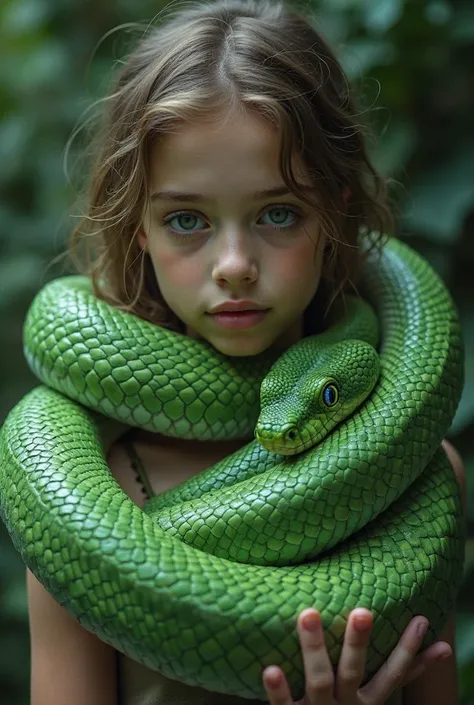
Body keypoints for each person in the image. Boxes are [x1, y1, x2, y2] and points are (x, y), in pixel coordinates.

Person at [26, 1, 466, 704]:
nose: (234, 263)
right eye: (186, 220)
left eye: (279, 212)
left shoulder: (416, 473)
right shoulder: (90, 495)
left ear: (334, 215)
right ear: (138, 227)